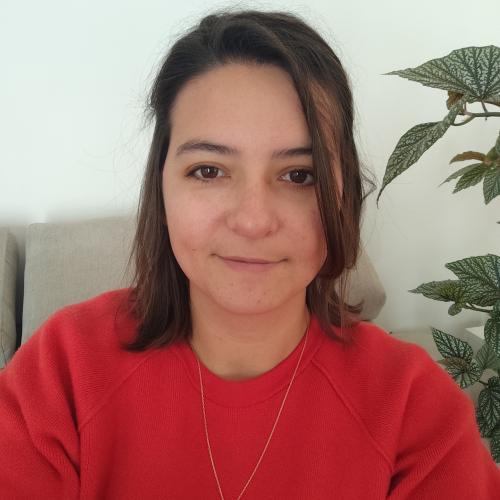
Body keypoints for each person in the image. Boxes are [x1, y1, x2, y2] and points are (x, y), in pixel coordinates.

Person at [1, 8, 499, 500]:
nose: (254, 221)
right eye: (209, 171)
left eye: (300, 175)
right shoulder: (63, 371)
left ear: (343, 196)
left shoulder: (413, 408)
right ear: (161, 189)